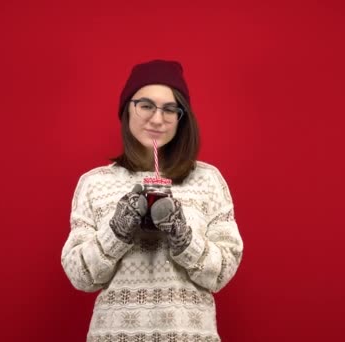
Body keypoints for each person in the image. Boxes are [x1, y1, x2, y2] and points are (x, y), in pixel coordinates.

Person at [61, 59, 243, 342]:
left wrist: (183, 236)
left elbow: (222, 272)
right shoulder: (94, 183)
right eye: (146, 105)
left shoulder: (207, 179)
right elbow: (80, 276)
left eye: (170, 109)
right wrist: (117, 231)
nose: (157, 119)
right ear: (127, 109)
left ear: (182, 117)